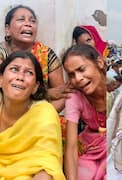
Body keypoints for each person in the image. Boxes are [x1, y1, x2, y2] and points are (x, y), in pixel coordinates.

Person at [0, 51, 65, 179]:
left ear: (35, 87)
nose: (20, 77)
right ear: (1, 79)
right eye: (14, 69)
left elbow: (47, 167)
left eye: (29, 73)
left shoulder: (44, 114)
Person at [0, 4, 72, 112]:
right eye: (21, 19)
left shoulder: (47, 54)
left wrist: (38, 118)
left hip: (40, 117)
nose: (28, 24)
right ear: (7, 28)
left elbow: (61, 94)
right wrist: (46, 93)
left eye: (32, 21)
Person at [62, 45, 106, 180]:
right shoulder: (75, 97)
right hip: (91, 147)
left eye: (81, 69)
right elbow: (71, 148)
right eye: (71, 75)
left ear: (99, 63)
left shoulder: (115, 90)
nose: (78, 78)